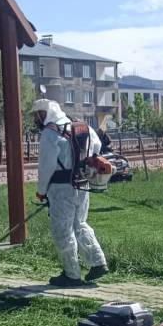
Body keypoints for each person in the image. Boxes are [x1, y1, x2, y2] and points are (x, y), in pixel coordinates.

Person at [33, 99, 109, 287]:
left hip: (60, 188)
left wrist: (41, 191)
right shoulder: (83, 127)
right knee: (80, 224)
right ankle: (98, 262)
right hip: (81, 183)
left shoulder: (50, 133)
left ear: (46, 113)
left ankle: (72, 275)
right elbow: (98, 146)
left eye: (37, 115)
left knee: (63, 231)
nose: (36, 119)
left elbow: (46, 166)